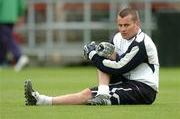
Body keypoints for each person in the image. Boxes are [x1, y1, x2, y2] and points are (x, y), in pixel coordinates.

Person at [24, 7, 159, 105]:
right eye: (120, 25)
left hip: (143, 89)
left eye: (127, 25)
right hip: (127, 81)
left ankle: (103, 94)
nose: (123, 29)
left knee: (100, 61)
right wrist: (100, 51)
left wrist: (93, 55)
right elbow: (110, 57)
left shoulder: (141, 43)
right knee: (86, 93)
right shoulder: (118, 37)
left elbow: (119, 68)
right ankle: (42, 100)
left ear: (137, 24)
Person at [0, 0, 29, 71]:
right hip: (12, 15)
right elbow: (21, 3)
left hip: (2, 15)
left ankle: (19, 56)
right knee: (3, 39)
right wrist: (19, 14)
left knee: (6, 38)